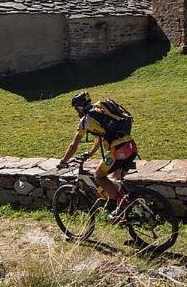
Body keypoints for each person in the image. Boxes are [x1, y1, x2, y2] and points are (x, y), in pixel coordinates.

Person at [59, 91, 139, 220]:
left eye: (76, 109)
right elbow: (100, 138)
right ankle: (122, 211)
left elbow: (74, 144)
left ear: (79, 108)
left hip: (119, 151)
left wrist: (63, 161)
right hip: (130, 146)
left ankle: (123, 204)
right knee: (114, 179)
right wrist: (90, 153)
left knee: (98, 176)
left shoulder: (85, 121)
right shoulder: (100, 113)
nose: (76, 113)